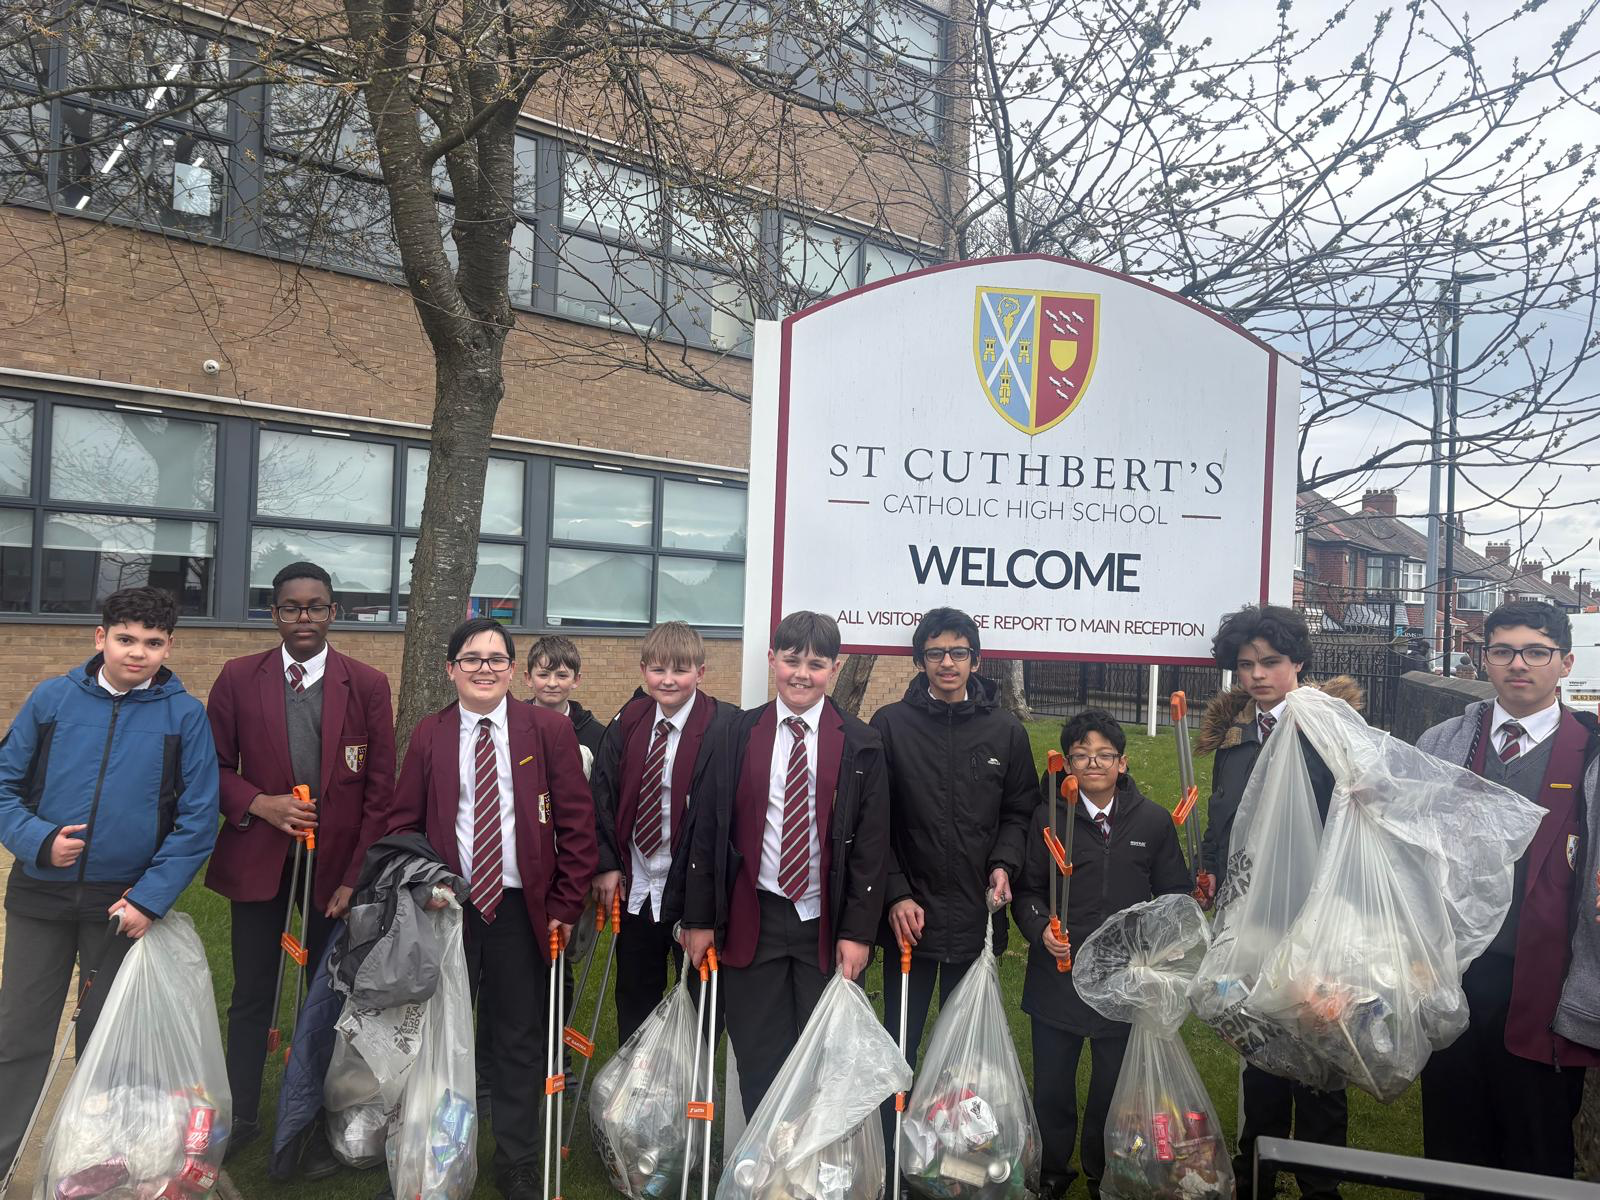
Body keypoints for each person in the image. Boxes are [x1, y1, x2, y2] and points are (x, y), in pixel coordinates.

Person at [0, 586, 220, 1174]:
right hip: (40, 896)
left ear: (169, 647)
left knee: (108, 1045)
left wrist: (149, 898)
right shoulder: (52, 699)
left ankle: (88, 1166)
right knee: (19, 1037)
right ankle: (4, 1158)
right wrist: (39, 841)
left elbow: (199, 819)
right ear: (101, 638)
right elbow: (4, 786)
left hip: (121, 906)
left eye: (152, 642)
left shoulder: (184, 716)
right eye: (125, 639)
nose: (137, 653)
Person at [385, 617, 596, 1200]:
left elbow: (578, 826)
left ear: (511, 669)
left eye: (497, 658)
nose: (485, 668)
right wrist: (423, 886)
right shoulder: (431, 733)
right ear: (450, 669)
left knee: (518, 1038)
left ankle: (518, 1159)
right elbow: (403, 823)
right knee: (440, 1037)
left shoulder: (547, 731)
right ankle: (433, 1157)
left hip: (520, 913)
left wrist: (565, 903)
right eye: (472, 658)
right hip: (448, 912)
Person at [204, 560, 396, 1171]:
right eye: (291, 607)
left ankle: (312, 1119)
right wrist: (259, 803)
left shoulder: (366, 684)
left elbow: (380, 792)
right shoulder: (239, 677)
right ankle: (242, 1114)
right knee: (252, 991)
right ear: (275, 614)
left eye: (315, 606)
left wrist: (355, 877)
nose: (303, 617)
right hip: (260, 859)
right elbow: (211, 767)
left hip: (334, 871)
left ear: (333, 613)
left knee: (326, 996)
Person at [1416, 600, 1600, 1194]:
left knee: (1536, 1157)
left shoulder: (1592, 753)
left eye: (1536, 651)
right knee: (1451, 1152)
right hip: (1452, 979)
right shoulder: (1441, 743)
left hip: (1546, 989)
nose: (1518, 664)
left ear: (1565, 663)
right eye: (1503, 650)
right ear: (1485, 660)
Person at [676, 611, 889, 1118]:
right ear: (772, 659)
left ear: (835, 668)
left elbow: (871, 847)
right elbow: (706, 830)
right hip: (756, 919)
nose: (802, 674)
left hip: (825, 923)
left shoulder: (861, 743)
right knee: (760, 1060)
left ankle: (813, 1161)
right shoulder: (736, 733)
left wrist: (858, 932)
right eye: (792, 661)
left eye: (816, 664)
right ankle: (764, 1160)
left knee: (824, 1061)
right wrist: (699, 918)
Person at [1195, 603, 1362, 1200]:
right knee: (1259, 1049)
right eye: (1245, 665)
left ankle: (1320, 1184)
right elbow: (1225, 820)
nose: (1257, 676)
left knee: (1320, 1054)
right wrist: (1209, 868)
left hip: (1319, 918)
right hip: (1255, 922)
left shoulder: (1330, 732)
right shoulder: (1236, 740)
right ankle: (1256, 1172)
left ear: (1298, 662)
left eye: (1269, 662)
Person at [871, 606, 1035, 1157]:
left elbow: (1020, 811)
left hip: (974, 917)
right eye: (936, 652)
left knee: (966, 1059)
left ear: (975, 660)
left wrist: (1005, 863)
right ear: (921, 660)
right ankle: (893, 1160)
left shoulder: (1005, 730)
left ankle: (954, 1166)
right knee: (899, 1051)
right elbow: (873, 822)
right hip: (909, 922)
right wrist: (895, 892)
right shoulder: (890, 725)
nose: (948, 662)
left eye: (958, 652)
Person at [1013, 710, 1190, 1200]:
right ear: (1067, 765)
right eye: (1081, 755)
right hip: (1058, 977)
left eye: (1104, 755)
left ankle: (1105, 1172)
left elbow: (1174, 893)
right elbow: (1028, 891)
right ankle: (1051, 1173)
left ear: (1122, 762)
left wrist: (1158, 941)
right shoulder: (1048, 818)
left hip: (1122, 980)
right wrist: (1039, 930)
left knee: (1113, 1089)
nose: (1094, 763)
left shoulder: (1152, 821)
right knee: (1053, 1087)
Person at [591, 621, 732, 1044]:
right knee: (635, 996)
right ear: (643, 671)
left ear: (700, 672)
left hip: (692, 889)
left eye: (680, 670)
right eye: (658, 670)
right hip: (638, 886)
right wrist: (607, 863)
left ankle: (687, 1078)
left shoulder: (724, 726)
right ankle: (636, 1079)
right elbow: (602, 795)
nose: (668, 680)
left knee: (700, 1004)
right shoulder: (629, 721)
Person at [524, 634, 605, 770]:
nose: (552, 683)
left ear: (576, 680)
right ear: (528, 678)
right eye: (543, 675)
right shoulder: (511, 726)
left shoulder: (597, 735)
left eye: (562, 675)